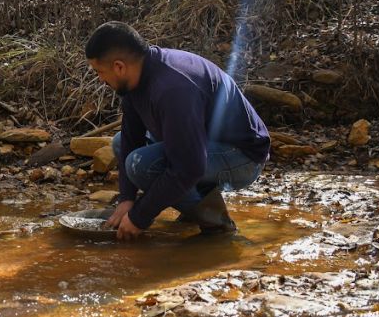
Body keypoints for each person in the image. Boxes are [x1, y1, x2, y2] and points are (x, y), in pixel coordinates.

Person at [85, 21, 270, 240]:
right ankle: (193, 207)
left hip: (243, 155)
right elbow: (130, 137)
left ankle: (218, 227)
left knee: (141, 165)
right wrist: (127, 199)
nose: (100, 79)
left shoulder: (173, 88)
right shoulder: (137, 78)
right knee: (120, 143)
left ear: (119, 67)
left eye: (100, 72)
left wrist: (139, 216)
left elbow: (189, 167)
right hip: (203, 143)